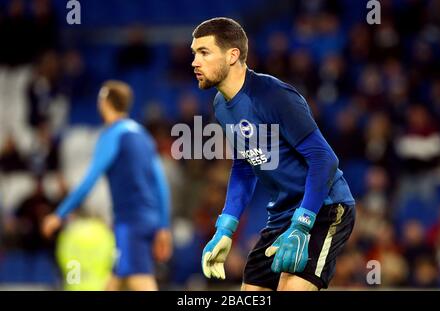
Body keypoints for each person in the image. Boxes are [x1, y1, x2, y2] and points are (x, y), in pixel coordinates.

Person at [191, 17, 355, 291]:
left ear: (233, 55)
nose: (195, 62)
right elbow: (245, 165)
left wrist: (303, 224)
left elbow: (324, 159)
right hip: (282, 216)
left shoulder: (273, 95)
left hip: (324, 208)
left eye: (204, 52)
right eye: (194, 53)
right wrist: (226, 227)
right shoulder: (221, 105)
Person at [41, 80, 172, 291]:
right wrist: (163, 226)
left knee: (142, 283)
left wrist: (59, 214)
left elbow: (89, 180)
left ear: (105, 102)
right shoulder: (144, 136)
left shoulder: (112, 135)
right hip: (149, 220)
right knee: (114, 283)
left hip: (130, 223)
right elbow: (160, 185)